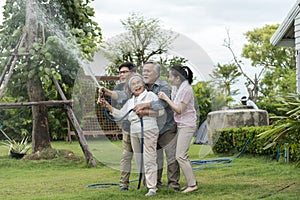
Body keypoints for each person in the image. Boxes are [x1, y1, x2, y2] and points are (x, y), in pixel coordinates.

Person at [99, 74, 164, 197]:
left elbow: (160, 111)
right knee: (139, 159)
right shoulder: (130, 102)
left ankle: (152, 188)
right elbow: (121, 115)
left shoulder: (151, 96)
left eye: (138, 82)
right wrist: (108, 107)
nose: (136, 86)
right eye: (133, 84)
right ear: (130, 88)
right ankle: (146, 184)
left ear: (143, 84)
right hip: (134, 131)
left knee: (149, 158)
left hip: (149, 129)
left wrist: (145, 112)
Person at [134, 61, 180, 191]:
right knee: (153, 157)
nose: (144, 73)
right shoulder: (142, 86)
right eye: (143, 71)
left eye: (148, 71)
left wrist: (145, 105)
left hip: (166, 128)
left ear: (157, 73)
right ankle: (155, 183)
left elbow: (162, 104)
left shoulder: (163, 86)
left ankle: (173, 185)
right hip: (151, 129)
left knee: (171, 156)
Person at [158, 65, 198, 193]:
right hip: (180, 124)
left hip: (187, 125)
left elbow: (179, 109)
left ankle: (192, 185)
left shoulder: (186, 90)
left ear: (177, 78)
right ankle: (191, 183)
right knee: (180, 155)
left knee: (181, 155)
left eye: (170, 76)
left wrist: (165, 98)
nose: (169, 79)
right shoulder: (177, 87)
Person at [98, 62, 136, 191]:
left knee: (144, 156)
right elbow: (119, 97)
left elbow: (120, 96)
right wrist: (105, 97)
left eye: (125, 72)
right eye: (120, 72)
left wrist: (106, 91)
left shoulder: (138, 86)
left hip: (141, 128)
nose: (122, 74)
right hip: (127, 127)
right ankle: (123, 184)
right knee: (126, 156)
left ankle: (151, 184)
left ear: (133, 73)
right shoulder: (122, 87)